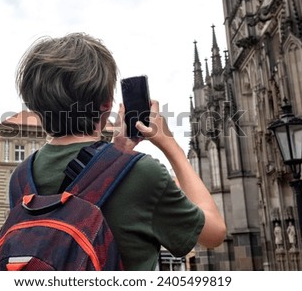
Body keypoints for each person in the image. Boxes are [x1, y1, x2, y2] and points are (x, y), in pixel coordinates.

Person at [15, 32, 226, 270]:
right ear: (106, 105)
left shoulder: (21, 177)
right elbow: (215, 233)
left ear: (35, 105)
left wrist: (117, 152)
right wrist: (171, 145)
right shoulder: (142, 173)